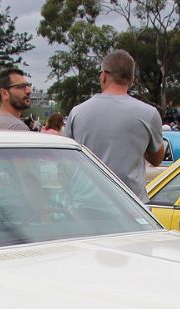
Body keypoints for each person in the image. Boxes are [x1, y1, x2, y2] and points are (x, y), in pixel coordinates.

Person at [63, 49, 165, 200]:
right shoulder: (149, 114)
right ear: (132, 80)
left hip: (85, 205)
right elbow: (156, 160)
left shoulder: (77, 113)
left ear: (103, 76)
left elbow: (66, 162)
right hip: (130, 206)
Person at [0, 67, 32, 132]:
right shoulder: (17, 127)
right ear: (4, 93)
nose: (28, 90)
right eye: (21, 86)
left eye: (28, 85)